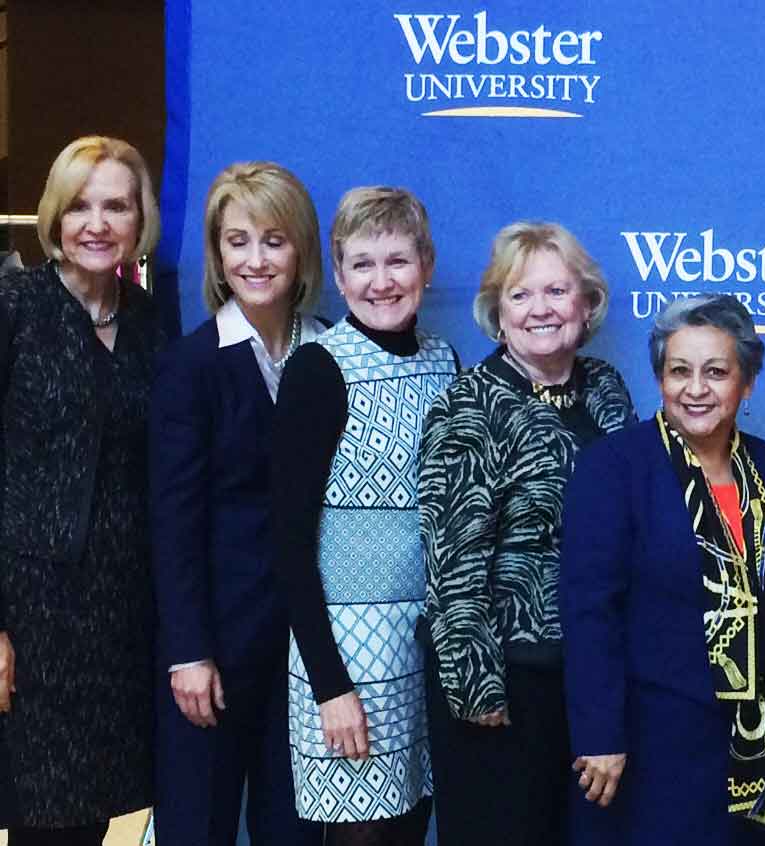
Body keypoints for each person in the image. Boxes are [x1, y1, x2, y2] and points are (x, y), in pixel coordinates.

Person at [418, 222, 636, 844]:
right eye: (520, 295)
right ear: (497, 311)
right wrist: (480, 688)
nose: (541, 309)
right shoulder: (469, 406)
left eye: (557, 291)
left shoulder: (607, 390)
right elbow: (453, 565)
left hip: (590, 677)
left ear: (586, 304)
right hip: (504, 685)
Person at [561, 294, 765, 846]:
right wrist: (599, 734)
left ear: (748, 383)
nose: (696, 389)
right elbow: (589, 611)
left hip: (745, 746)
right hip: (646, 741)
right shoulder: (615, 467)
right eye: (678, 370)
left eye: (716, 372)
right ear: (659, 377)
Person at [271, 186, 456, 843]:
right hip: (349, 658)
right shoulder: (319, 370)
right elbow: (289, 543)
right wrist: (330, 687)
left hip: (425, 651)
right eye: (363, 264)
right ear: (340, 275)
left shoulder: (445, 364)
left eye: (398, 261)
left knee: (412, 826)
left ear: (426, 267)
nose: (382, 282)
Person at [149, 161, 326, 846]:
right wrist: (188, 650)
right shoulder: (190, 367)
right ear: (218, 254)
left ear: (302, 248)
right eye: (238, 241)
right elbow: (174, 519)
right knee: (200, 828)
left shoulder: (331, 350)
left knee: (294, 832)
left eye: (274, 240)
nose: (255, 260)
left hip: (306, 651)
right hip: (214, 649)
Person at [0, 135, 164, 845]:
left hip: (119, 623)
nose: (96, 224)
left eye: (116, 206)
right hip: (27, 621)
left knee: (88, 822)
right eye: (80, 207)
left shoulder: (153, 321)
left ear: (140, 221)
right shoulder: (14, 305)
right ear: (54, 217)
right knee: (38, 823)